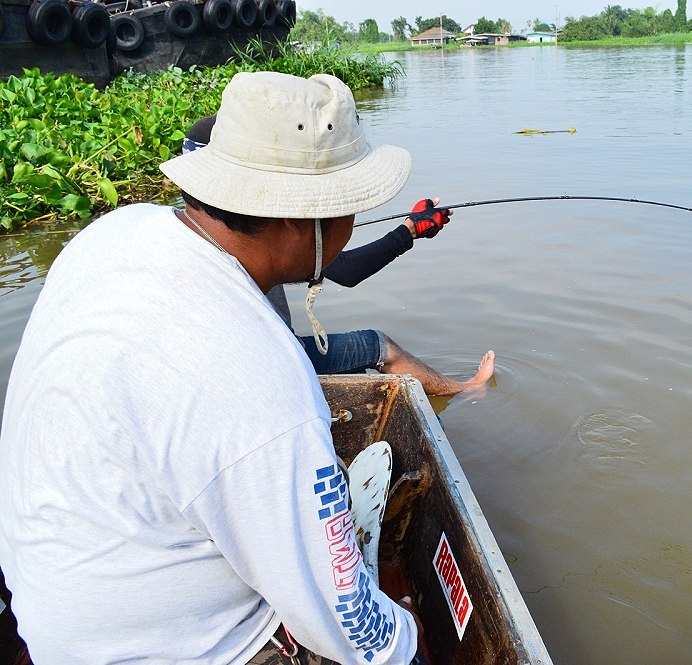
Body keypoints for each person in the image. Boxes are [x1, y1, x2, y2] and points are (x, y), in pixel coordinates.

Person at [0, 71, 483, 664]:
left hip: (52, 612)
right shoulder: (260, 382)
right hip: (167, 650)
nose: (355, 219)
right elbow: (349, 626)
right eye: (349, 205)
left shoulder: (114, 233)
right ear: (298, 217)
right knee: (402, 640)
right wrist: (413, 637)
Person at [185, 115, 494, 396]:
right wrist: (409, 230)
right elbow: (344, 269)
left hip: (263, 355)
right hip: (268, 362)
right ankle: (467, 389)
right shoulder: (253, 238)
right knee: (380, 347)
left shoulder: (195, 229)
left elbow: (342, 268)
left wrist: (409, 230)